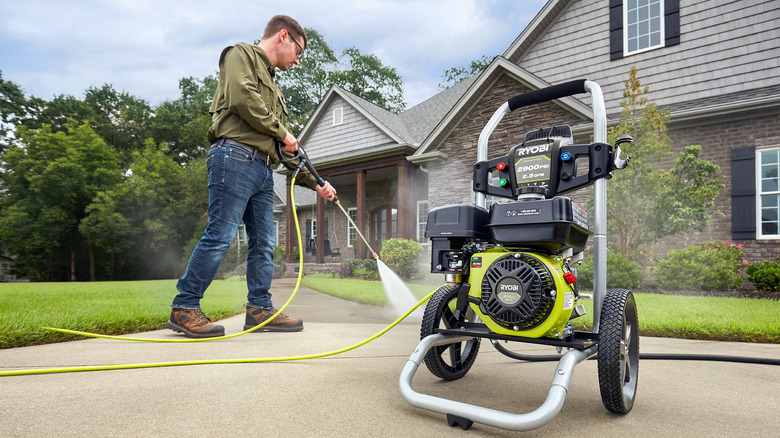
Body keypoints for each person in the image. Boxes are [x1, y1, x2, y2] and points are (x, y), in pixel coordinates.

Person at [168, 15, 336, 338]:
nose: (298, 61)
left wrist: (318, 184)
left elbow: (287, 153)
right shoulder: (240, 54)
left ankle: (258, 309)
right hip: (233, 156)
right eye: (298, 51)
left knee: (264, 243)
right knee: (221, 233)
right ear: (283, 36)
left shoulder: (275, 88)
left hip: (262, 168)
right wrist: (282, 131)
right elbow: (242, 97)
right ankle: (184, 307)